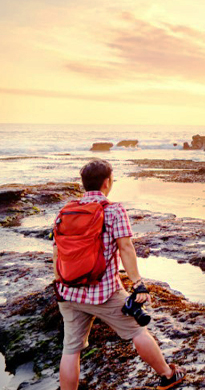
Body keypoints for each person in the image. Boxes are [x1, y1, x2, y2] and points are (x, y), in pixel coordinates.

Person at [53, 160, 185, 390]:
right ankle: (167, 375)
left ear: (84, 184)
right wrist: (138, 283)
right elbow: (125, 248)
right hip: (103, 293)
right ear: (107, 182)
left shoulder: (66, 211)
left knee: (70, 349)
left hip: (69, 292)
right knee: (137, 330)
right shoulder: (113, 210)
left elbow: (56, 251)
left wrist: (59, 285)